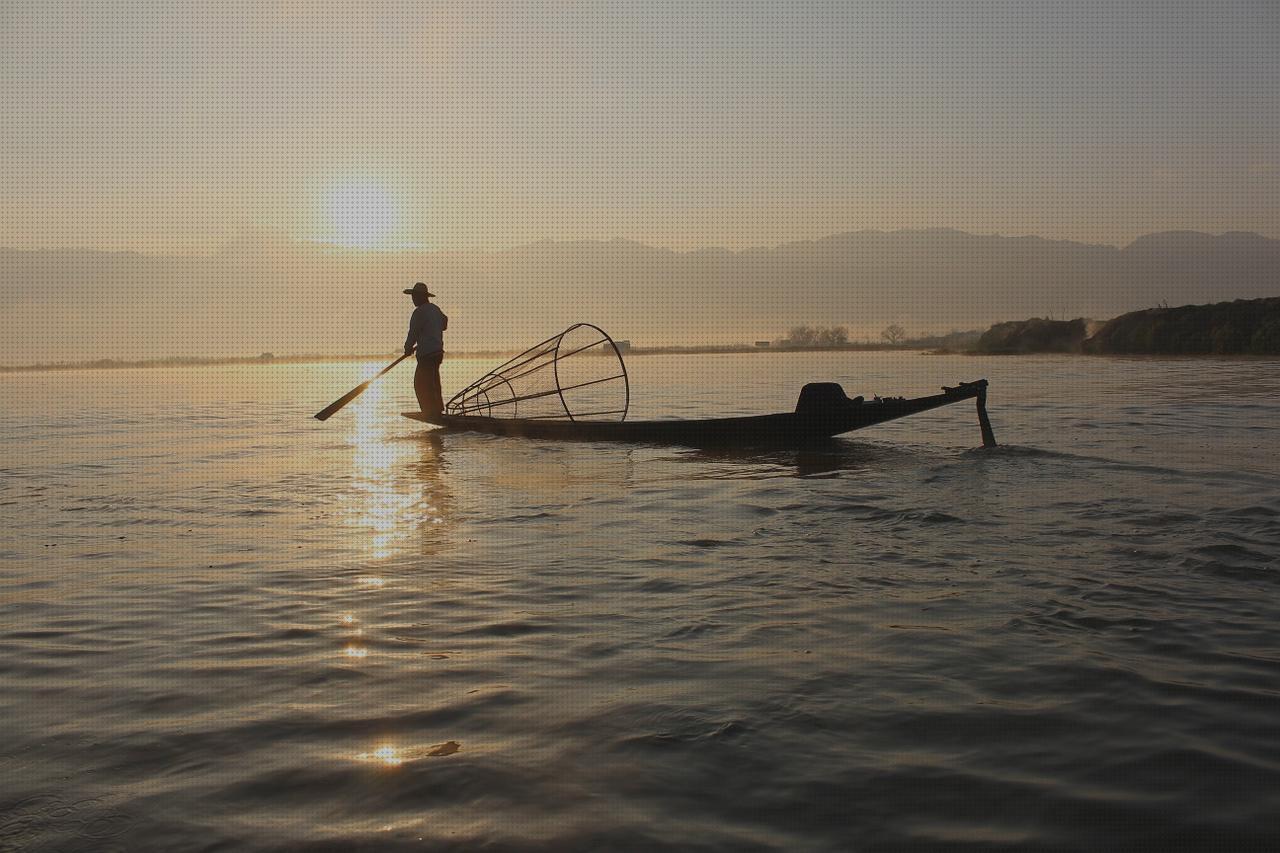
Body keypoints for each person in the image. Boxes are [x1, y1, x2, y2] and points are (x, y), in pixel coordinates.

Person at [403, 282, 448, 416]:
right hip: (437, 352)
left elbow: (413, 333)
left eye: (415, 296)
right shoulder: (435, 309)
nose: (413, 299)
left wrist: (407, 348)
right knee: (433, 381)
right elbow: (444, 323)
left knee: (421, 383)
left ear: (421, 297)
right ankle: (437, 409)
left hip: (427, 354)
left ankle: (430, 411)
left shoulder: (419, 312)